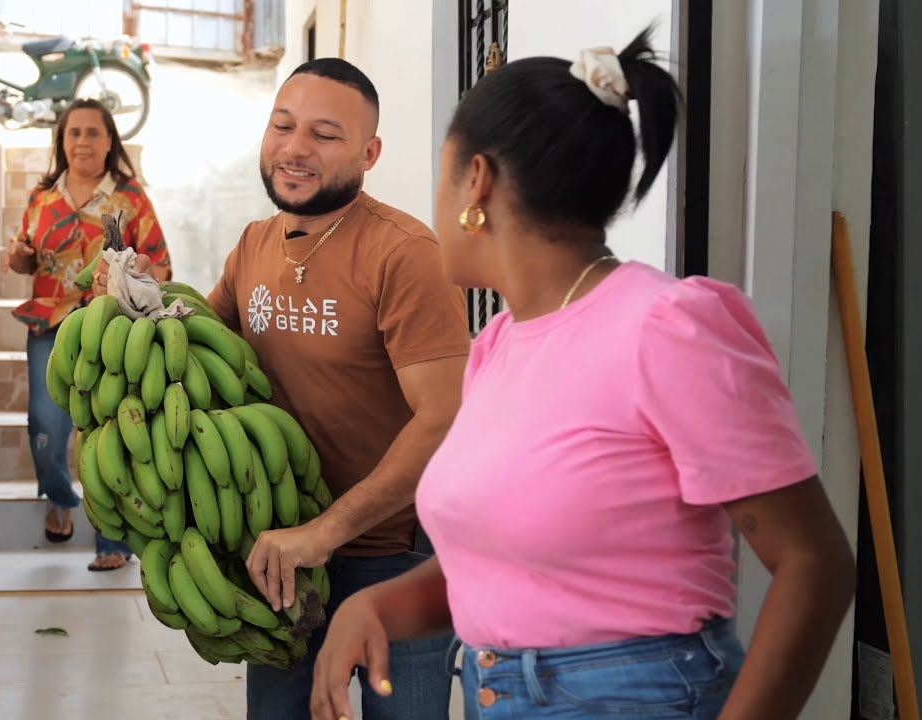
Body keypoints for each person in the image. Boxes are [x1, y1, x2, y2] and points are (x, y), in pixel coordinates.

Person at [309, 28, 858, 720]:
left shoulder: (669, 328)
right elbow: (508, 573)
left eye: (441, 175)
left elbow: (815, 563)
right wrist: (375, 605)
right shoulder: (498, 345)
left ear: (476, 181)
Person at [93, 58, 468, 719]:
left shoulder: (404, 254)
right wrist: (134, 302)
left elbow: (444, 420)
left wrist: (328, 531)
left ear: (370, 152)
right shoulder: (256, 245)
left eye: (325, 134)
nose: (296, 150)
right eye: (283, 126)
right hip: (275, 552)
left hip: (393, 554)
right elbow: (196, 356)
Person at [7, 98, 172, 572]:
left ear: (109, 141)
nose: (82, 141)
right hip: (50, 324)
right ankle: (59, 495)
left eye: (93, 132)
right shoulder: (42, 198)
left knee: (105, 436)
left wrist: (136, 272)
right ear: (62, 140)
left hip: (111, 331)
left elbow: (160, 263)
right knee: (45, 422)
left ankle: (113, 541)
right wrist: (18, 257)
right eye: (74, 132)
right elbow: (27, 257)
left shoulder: (132, 200)